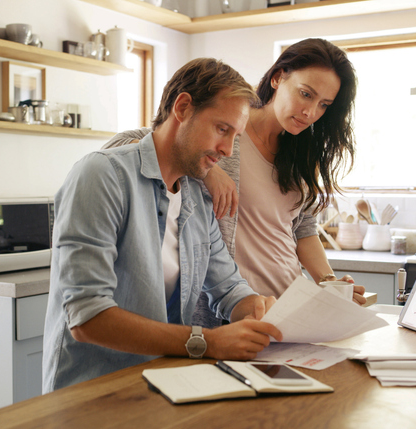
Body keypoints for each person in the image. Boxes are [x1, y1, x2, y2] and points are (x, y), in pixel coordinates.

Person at [42, 58, 283, 394]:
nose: (227, 150)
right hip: (92, 393)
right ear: (182, 107)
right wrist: (207, 341)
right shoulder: (101, 176)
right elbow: (87, 316)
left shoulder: (196, 198)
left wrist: (256, 308)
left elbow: (228, 288)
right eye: (222, 129)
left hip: (161, 385)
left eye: (235, 136)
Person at [105, 39, 366, 328]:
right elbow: (124, 146)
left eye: (323, 105)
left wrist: (328, 282)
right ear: (279, 77)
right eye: (305, 94)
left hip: (289, 307)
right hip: (230, 311)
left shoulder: (302, 154)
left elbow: (303, 229)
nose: (311, 112)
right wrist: (209, 170)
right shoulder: (225, 129)